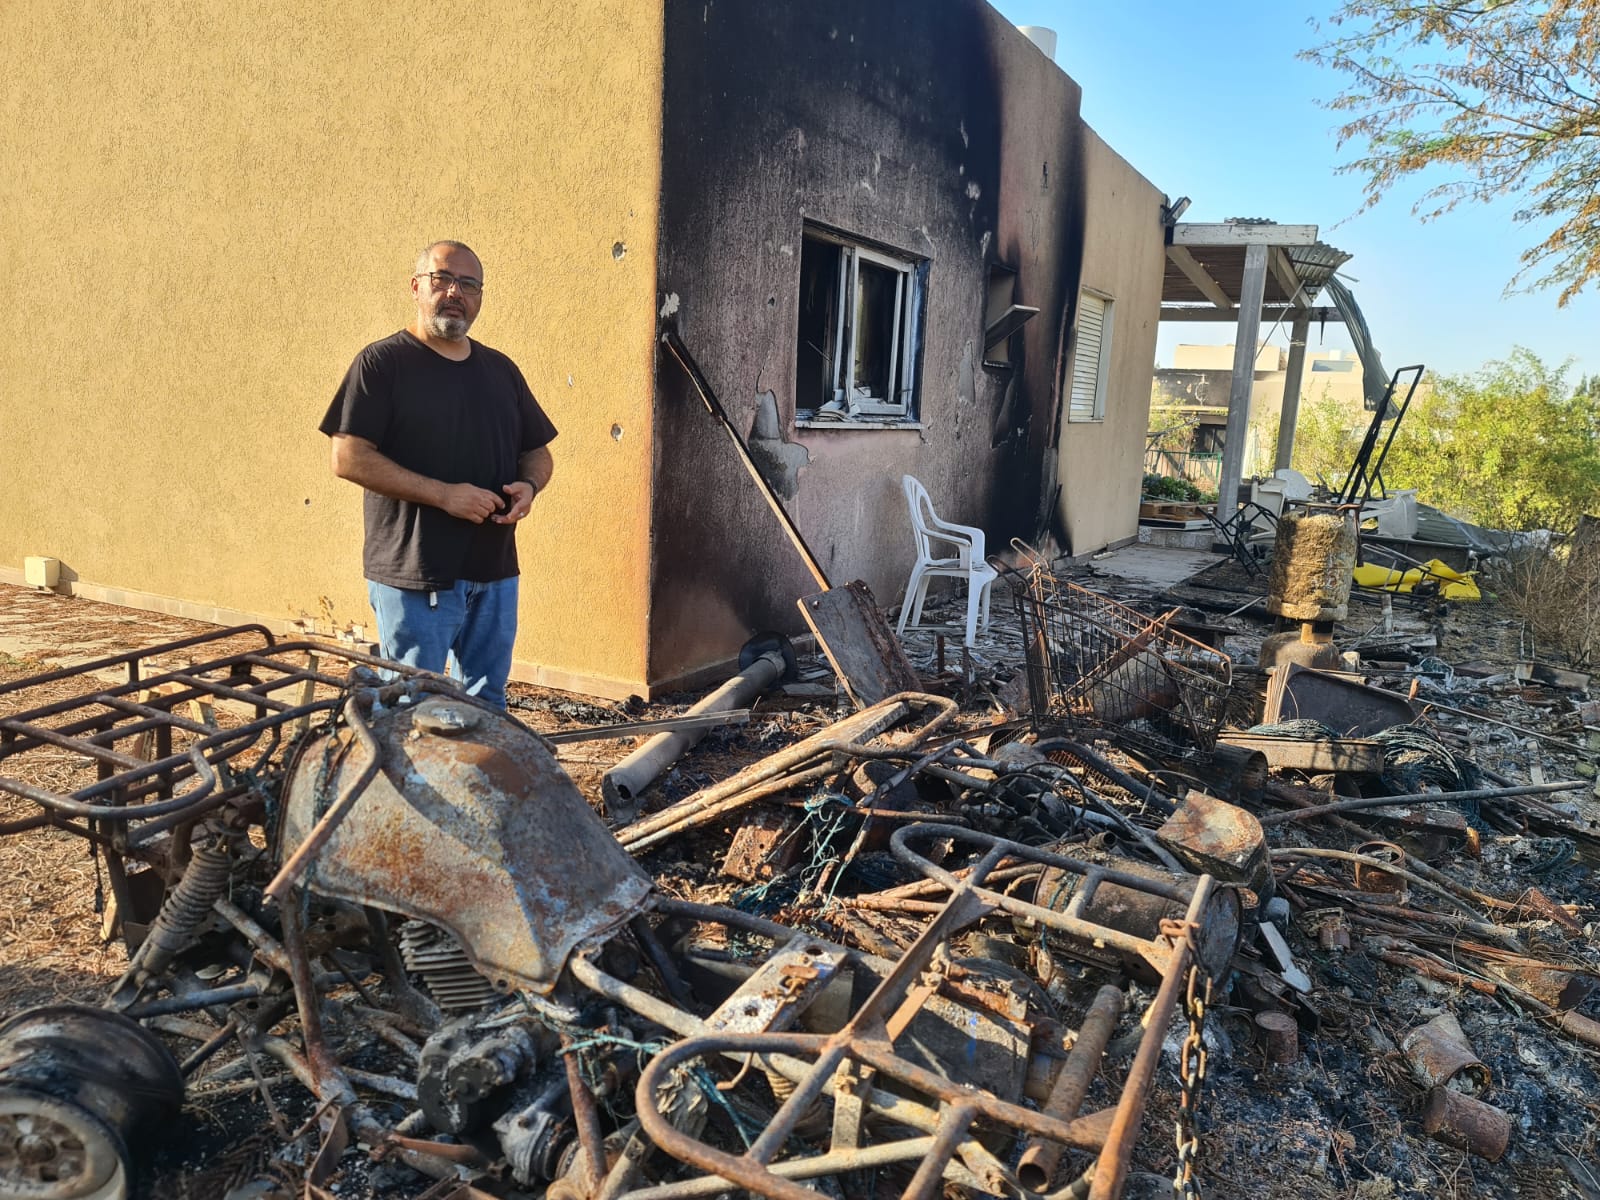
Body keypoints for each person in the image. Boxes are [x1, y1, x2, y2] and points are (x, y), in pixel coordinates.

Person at [320, 240, 556, 709]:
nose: (455, 292)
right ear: (416, 287)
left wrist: (529, 486)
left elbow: (538, 452)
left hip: (495, 573)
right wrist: (443, 495)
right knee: (411, 710)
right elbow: (347, 457)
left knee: (486, 706)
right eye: (442, 279)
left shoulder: (501, 371)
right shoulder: (382, 364)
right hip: (416, 576)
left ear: (480, 296)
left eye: (468, 284)